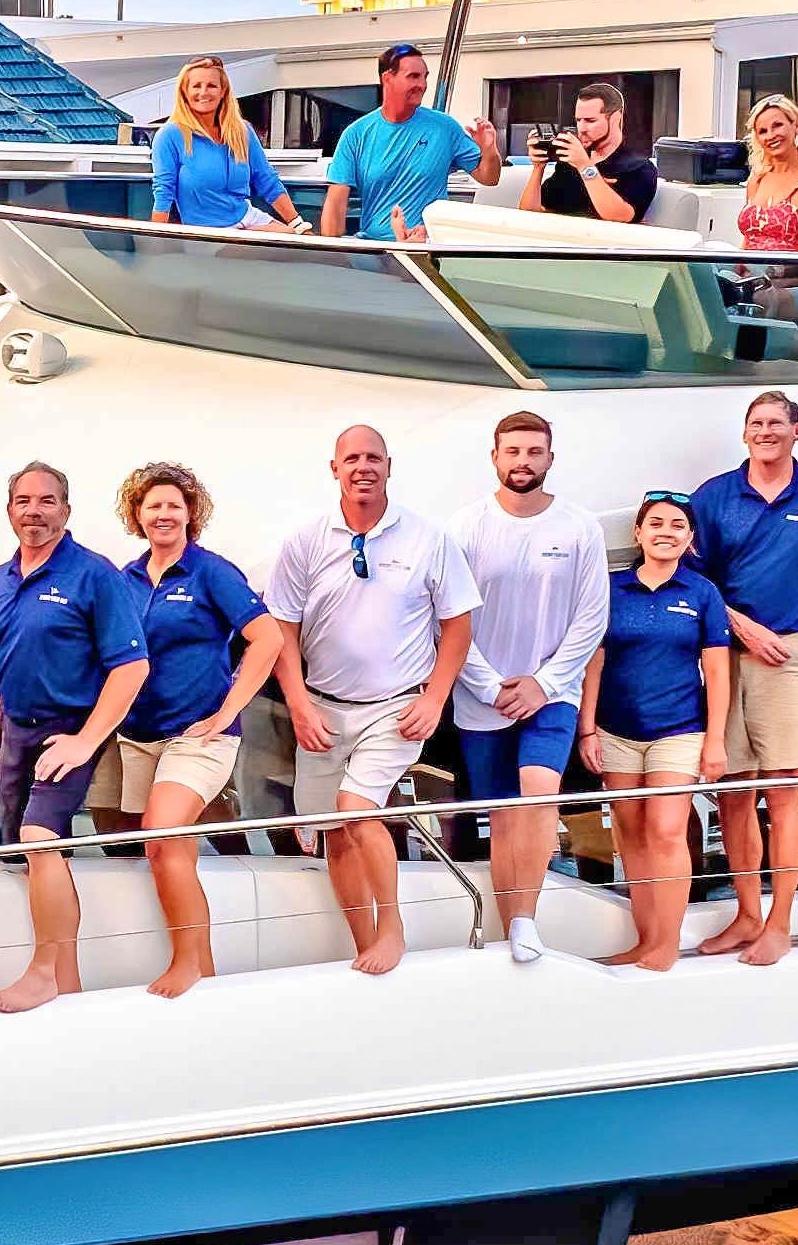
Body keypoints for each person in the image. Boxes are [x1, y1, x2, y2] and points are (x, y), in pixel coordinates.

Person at [264, 425, 475, 977]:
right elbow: (279, 628)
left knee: (357, 812)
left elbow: (457, 625)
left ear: (389, 465)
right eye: (352, 458)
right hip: (322, 708)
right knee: (333, 832)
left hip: (396, 707)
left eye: (374, 458)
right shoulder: (305, 538)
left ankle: (393, 928)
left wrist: (435, 698)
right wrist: (299, 705)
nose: (364, 467)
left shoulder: (427, 537)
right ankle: (364, 942)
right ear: (333, 468)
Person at [682, 390, 798, 968]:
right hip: (727, 652)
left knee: (785, 790)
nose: (766, 432)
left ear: (797, 431)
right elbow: (696, 582)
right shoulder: (713, 497)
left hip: (796, 652)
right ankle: (746, 914)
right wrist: (744, 630)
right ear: (745, 433)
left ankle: (780, 922)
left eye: (776, 424)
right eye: (756, 424)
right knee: (734, 794)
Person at [0, 461, 150, 1015]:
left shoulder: (95, 576)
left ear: (66, 511)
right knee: (20, 850)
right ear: (9, 512)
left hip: (68, 731)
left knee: (39, 838)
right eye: (24, 501)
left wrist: (84, 741)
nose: (34, 511)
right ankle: (67, 980)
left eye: (47, 501)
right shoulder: (1, 579)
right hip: (15, 738)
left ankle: (45, 971)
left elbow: (132, 668)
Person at [104, 462, 283, 999]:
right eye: (152, 505)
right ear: (137, 515)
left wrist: (228, 710)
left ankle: (188, 961)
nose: (163, 513)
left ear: (190, 514)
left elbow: (268, 639)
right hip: (135, 736)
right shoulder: (124, 579)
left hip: (198, 736)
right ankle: (200, 965)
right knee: (146, 844)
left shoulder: (211, 572)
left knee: (163, 838)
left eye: (173, 505)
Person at [448, 408, 607, 964]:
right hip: (481, 695)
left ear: (550, 458)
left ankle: (525, 919)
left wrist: (543, 682)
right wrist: (490, 685)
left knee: (539, 792)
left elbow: (591, 618)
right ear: (495, 457)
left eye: (533, 452)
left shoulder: (579, 527)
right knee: (503, 813)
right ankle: (506, 918)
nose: (523, 462)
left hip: (552, 694)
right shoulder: (465, 528)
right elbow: (450, 620)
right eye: (512, 451)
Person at [584, 493, 734, 972]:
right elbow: (594, 661)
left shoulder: (702, 593)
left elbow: (717, 670)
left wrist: (715, 740)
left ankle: (667, 942)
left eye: (676, 525)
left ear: (689, 539)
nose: (665, 531)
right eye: (656, 523)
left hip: (680, 729)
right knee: (631, 835)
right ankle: (645, 939)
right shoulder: (610, 589)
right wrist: (587, 729)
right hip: (617, 730)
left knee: (668, 832)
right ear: (638, 533)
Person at [321, 40, 496, 244]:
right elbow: (335, 206)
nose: (422, 85)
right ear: (388, 78)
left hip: (429, 250)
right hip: (376, 252)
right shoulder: (356, 134)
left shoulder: (445, 127)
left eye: (424, 77)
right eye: (413, 76)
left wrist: (489, 149)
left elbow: (489, 178)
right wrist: (338, 259)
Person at [149, 56, 296, 231]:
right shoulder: (169, 135)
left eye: (211, 85)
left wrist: (298, 224)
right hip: (208, 233)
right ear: (184, 92)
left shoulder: (242, 130)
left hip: (249, 218)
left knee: (296, 240)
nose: (203, 92)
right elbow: (164, 190)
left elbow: (266, 179)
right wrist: (154, 240)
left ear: (223, 91)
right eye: (196, 86)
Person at [517, 82, 660, 225]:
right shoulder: (568, 164)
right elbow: (529, 215)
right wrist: (538, 168)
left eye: (590, 121)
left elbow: (622, 217)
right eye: (578, 120)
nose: (582, 128)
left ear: (616, 118)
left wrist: (585, 167)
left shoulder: (639, 167)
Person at [730, 93, 798, 259]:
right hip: (751, 277)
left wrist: (772, 271)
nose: (771, 136)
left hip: (792, 280)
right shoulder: (756, 181)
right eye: (763, 131)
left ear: (796, 126)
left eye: (777, 125)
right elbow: (749, 240)